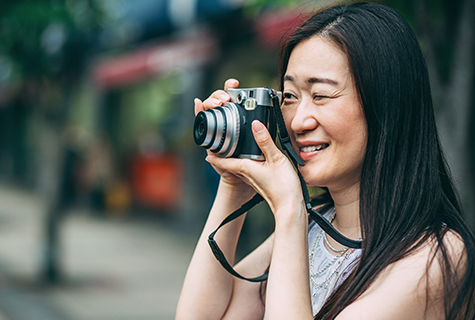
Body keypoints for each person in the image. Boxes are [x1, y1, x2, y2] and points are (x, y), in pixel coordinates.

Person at [176, 2, 475, 319]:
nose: (297, 122)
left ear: (385, 105)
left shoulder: (437, 255)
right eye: (290, 97)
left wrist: (289, 208)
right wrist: (233, 187)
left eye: (320, 95)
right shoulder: (315, 224)